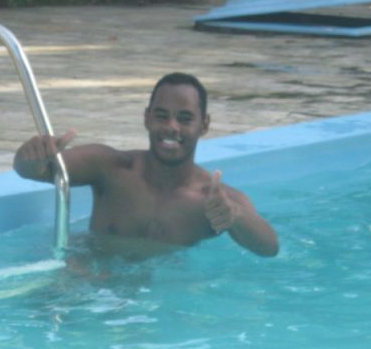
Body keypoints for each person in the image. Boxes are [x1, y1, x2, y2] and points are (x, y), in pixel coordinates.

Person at [14, 72, 278, 257]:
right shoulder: (110, 168)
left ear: (204, 125)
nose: (172, 127)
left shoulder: (214, 200)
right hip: (90, 283)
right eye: (162, 116)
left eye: (185, 118)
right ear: (147, 118)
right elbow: (36, 170)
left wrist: (234, 216)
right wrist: (32, 157)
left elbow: (269, 248)